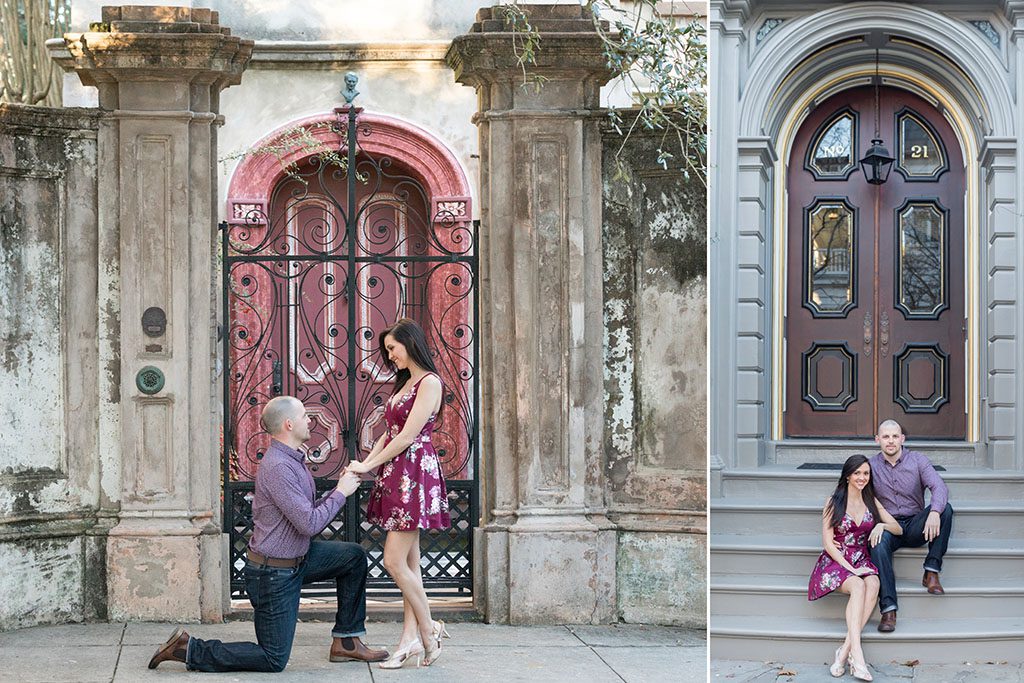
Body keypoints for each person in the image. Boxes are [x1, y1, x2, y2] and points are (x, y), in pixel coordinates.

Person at [148, 396, 388, 672]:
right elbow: (309, 524)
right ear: (289, 424)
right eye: (304, 416)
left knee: (353, 557)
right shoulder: (278, 467)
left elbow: (303, 513)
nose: (310, 420)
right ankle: (189, 648)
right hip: (272, 575)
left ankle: (347, 642)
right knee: (273, 659)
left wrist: (339, 489)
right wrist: (341, 493)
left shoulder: (292, 460)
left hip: (298, 560)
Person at [346, 318, 452, 668]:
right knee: (409, 563)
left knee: (393, 560)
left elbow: (407, 437)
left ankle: (427, 629)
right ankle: (409, 641)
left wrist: (367, 466)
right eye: (387, 350)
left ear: (410, 342)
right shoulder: (405, 383)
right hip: (397, 471)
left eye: (393, 348)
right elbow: (388, 433)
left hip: (414, 474)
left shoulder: (430, 383)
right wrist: (368, 463)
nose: (389, 356)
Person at [808, 454, 902, 682]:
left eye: (866, 473)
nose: (862, 478)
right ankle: (857, 655)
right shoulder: (834, 501)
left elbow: (898, 528)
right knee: (859, 585)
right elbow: (828, 543)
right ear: (848, 476)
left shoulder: (871, 501)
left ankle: (844, 650)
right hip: (836, 561)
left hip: (861, 558)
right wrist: (851, 568)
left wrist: (881, 524)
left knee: (874, 582)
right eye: (857, 473)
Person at [868, 419, 954, 633]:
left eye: (895, 436)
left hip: (917, 525)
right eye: (885, 437)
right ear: (877, 440)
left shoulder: (917, 460)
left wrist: (934, 512)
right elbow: (860, 496)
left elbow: (939, 487)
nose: (890, 441)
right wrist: (877, 523)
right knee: (877, 545)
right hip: (889, 526)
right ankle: (888, 609)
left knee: (946, 509)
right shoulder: (870, 466)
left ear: (902, 439)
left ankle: (931, 571)